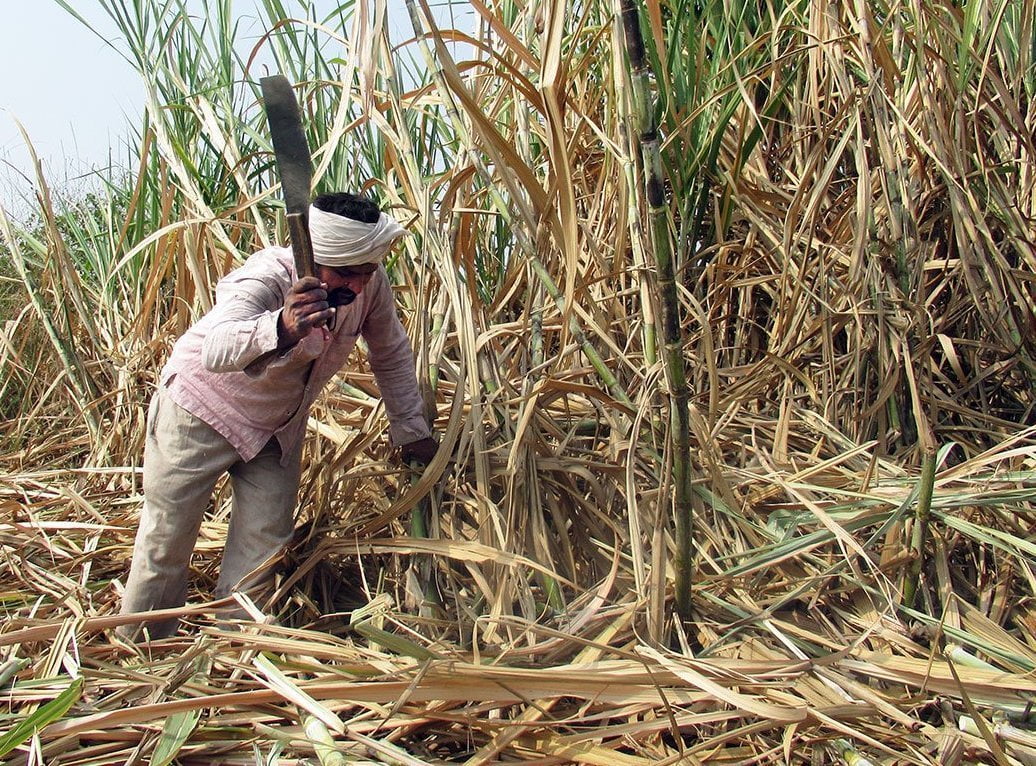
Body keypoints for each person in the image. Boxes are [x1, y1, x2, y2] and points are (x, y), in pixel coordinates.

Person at [117, 192, 436, 640]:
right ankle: (140, 655)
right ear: (317, 256)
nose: (359, 284)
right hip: (199, 411)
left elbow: (390, 353)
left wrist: (410, 428)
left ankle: (237, 654)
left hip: (276, 429)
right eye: (346, 273)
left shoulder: (369, 282)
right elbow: (217, 347)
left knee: (262, 548)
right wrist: (282, 327)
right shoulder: (269, 275)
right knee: (166, 539)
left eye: (366, 271)